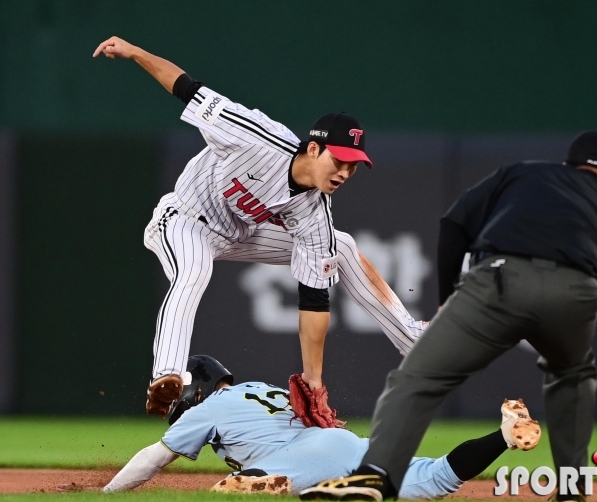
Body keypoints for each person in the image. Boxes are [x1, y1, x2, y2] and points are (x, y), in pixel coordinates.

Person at [303, 131, 597, 502]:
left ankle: (375, 476)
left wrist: (447, 298)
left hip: (497, 283)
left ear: (566, 165)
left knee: (419, 376)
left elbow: (454, 223)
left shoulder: (526, 174)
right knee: (573, 375)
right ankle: (571, 490)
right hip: (575, 294)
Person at [92, 37, 427, 420]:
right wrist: (135, 52)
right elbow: (185, 86)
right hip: (186, 218)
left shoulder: (315, 211)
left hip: (242, 233)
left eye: (353, 166)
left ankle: (413, 338)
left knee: (343, 245)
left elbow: (313, 303)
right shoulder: (252, 135)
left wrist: (313, 382)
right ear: (314, 150)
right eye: (340, 161)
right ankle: (167, 375)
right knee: (194, 270)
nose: (345, 173)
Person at [102, 355, 541, 499]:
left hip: (301, 458)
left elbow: (153, 458)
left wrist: (105, 496)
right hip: (343, 444)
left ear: (197, 387)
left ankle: (266, 483)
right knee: (437, 477)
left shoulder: (207, 408)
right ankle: (505, 434)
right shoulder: (254, 388)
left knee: (227, 497)